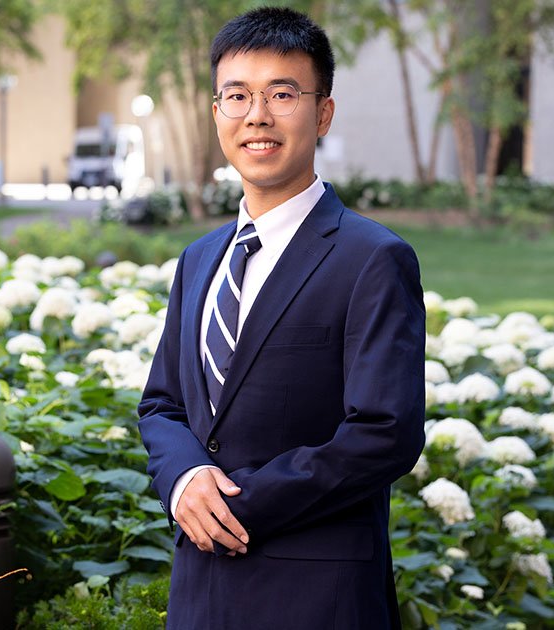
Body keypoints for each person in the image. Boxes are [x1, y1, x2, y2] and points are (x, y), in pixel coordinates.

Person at [137, 7, 425, 629]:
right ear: (217, 112)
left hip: (315, 598)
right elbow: (161, 405)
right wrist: (186, 480)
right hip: (200, 594)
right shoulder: (199, 258)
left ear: (322, 112)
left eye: (281, 94)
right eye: (237, 96)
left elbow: (385, 432)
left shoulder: (372, 258)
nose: (256, 116)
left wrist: (239, 506)